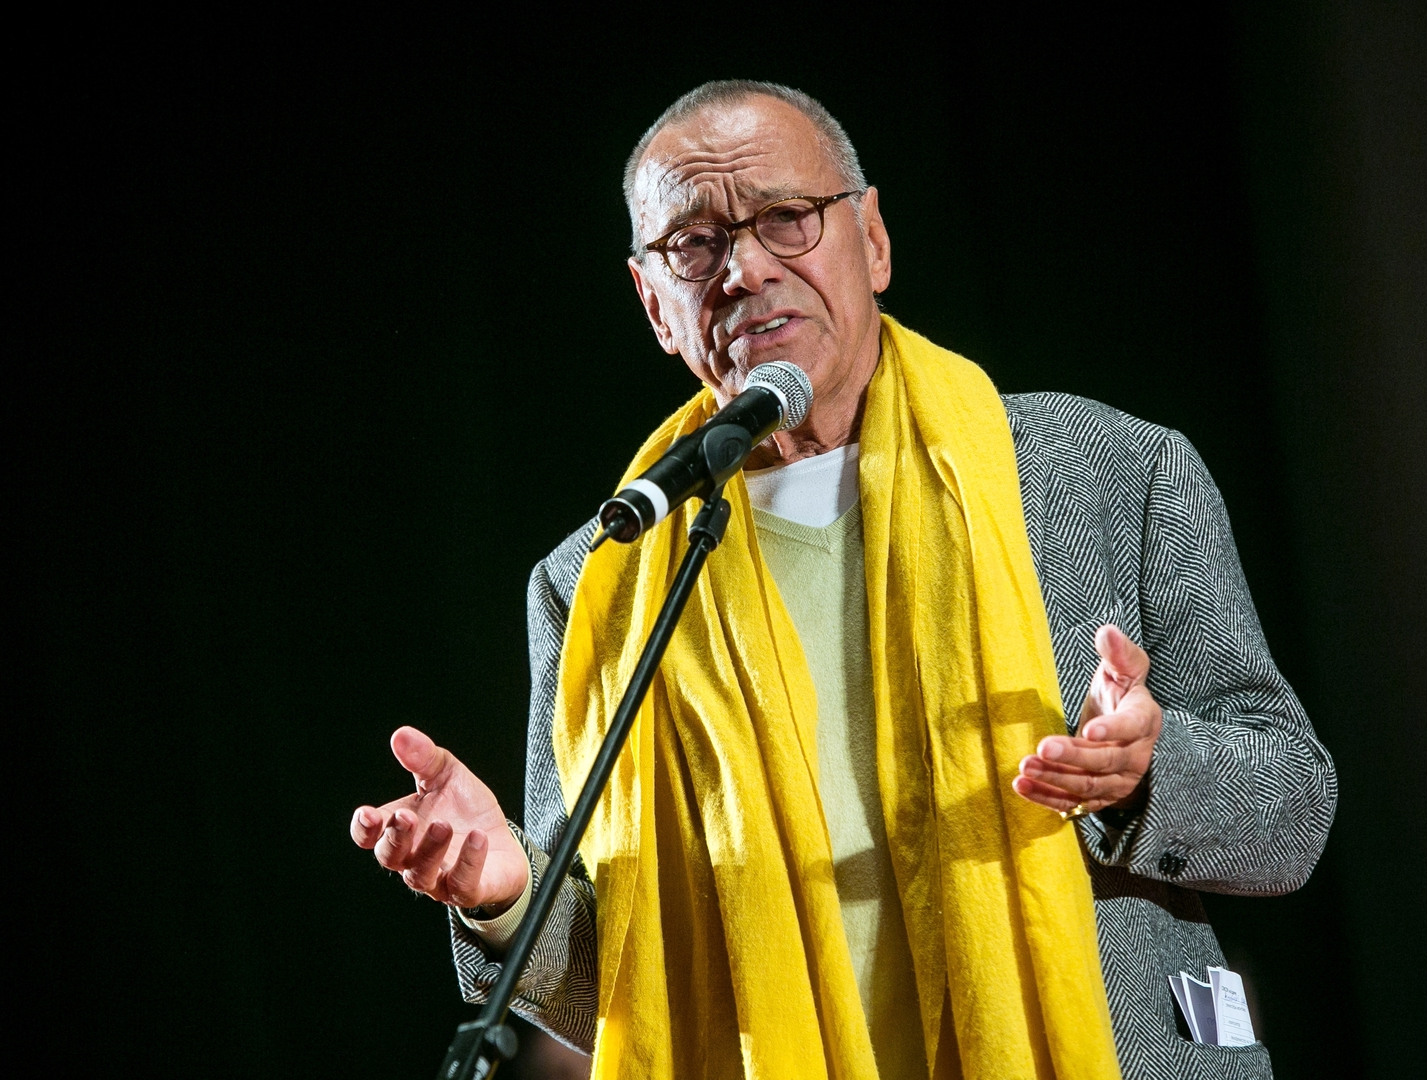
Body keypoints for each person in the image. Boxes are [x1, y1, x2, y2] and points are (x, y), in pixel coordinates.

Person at [351, 81, 1336, 1080]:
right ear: (654, 305)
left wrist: (1145, 774)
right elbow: (620, 986)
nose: (744, 270)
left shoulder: (1106, 472)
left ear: (871, 240)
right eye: (693, 245)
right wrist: (506, 893)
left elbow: (1294, 809)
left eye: (786, 217)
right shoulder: (598, 579)